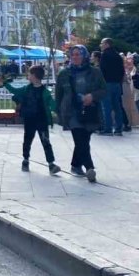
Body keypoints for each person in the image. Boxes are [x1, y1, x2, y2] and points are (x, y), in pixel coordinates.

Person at [56, 45, 105, 183]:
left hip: (90, 111)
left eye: (78, 54)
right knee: (79, 139)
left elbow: (103, 90)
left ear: (85, 55)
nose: (75, 57)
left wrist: (92, 96)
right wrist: (59, 112)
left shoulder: (95, 72)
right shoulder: (64, 73)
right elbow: (58, 94)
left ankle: (75, 165)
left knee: (85, 139)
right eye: (73, 55)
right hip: (72, 111)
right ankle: (90, 168)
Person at [4, 65, 60, 174]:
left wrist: (60, 111)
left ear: (34, 76)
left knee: (46, 142)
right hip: (30, 120)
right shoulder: (26, 89)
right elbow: (15, 91)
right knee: (27, 141)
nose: (27, 76)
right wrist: (4, 84)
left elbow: (53, 105)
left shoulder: (45, 91)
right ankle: (25, 160)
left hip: (42, 121)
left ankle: (51, 164)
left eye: (29, 74)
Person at [99, 38, 126, 136]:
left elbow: (102, 71)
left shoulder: (104, 55)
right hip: (117, 84)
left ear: (107, 44)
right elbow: (122, 71)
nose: (100, 45)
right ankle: (119, 129)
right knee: (117, 107)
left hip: (107, 84)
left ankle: (108, 129)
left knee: (106, 108)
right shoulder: (118, 56)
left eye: (102, 43)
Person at [121, 55, 139, 128]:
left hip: (126, 87)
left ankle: (127, 121)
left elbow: (128, 78)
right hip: (128, 87)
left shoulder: (127, 69)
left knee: (126, 105)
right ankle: (129, 121)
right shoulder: (128, 68)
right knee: (128, 105)